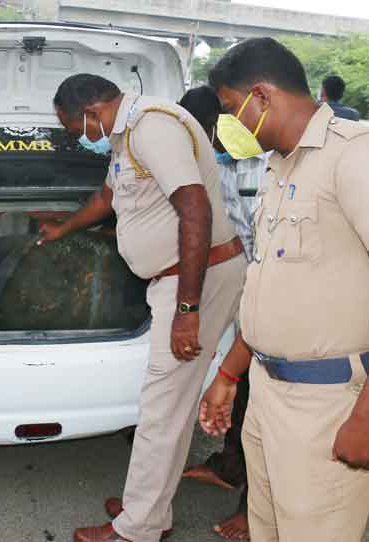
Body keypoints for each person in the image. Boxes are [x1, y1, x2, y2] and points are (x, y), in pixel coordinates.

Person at [45, 74, 247, 542]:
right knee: (168, 405)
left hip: (196, 282)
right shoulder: (126, 137)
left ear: (93, 112)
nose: (80, 139)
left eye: (76, 130)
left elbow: (195, 207)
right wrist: (62, 229)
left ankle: (137, 529)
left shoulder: (153, 127)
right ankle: (149, 508)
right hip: (177, 281)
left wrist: (187, 308)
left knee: (161, 409)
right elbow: (107, 198)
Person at [200, 37, 369, 542]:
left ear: (261, 95)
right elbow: (271, 284)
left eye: (230, 108)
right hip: (269, 396)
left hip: (329, 403)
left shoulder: (352, 155)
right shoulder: (280, 165)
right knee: (269, 528)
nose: (228, 123)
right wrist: (231, 371)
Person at [177, 85, 268, 541]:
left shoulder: (260, 163)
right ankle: (228, 467)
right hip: (245, 300)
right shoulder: (219, 162)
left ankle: (254, 507)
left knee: (260, 407)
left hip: (271, 304)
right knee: (243, 392)